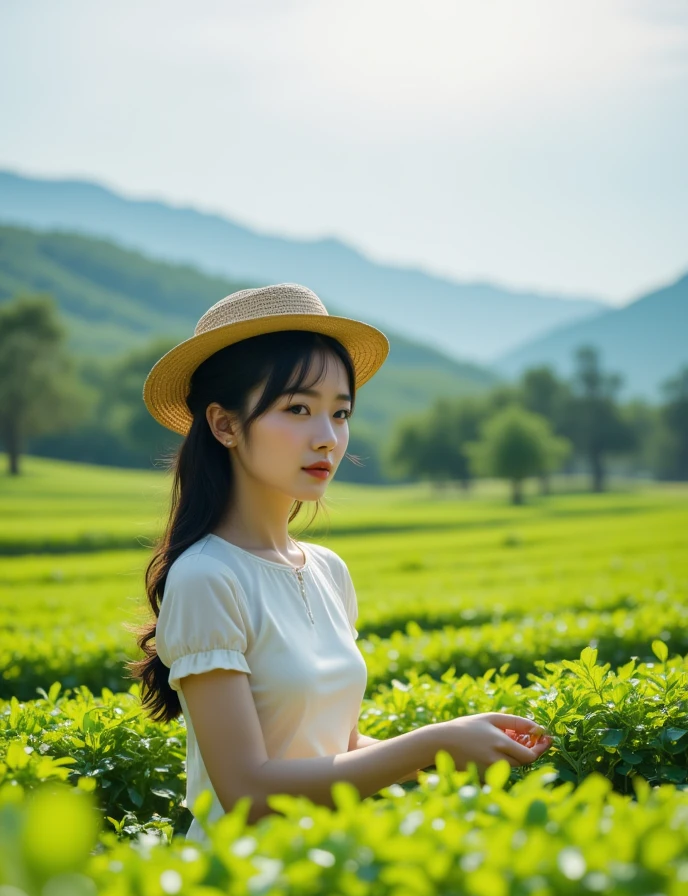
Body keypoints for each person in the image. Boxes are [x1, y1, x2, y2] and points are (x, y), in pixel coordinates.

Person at [128, 282, 552, 843]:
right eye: (298, 409)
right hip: (238, 888)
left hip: (332, 870)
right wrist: (435, 741)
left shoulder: (327, 570)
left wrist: (458, 756)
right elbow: (248, 796)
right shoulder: (209, 576)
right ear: (225, 424)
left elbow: (338, 751)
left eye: (340, 412)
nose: (327, 438)